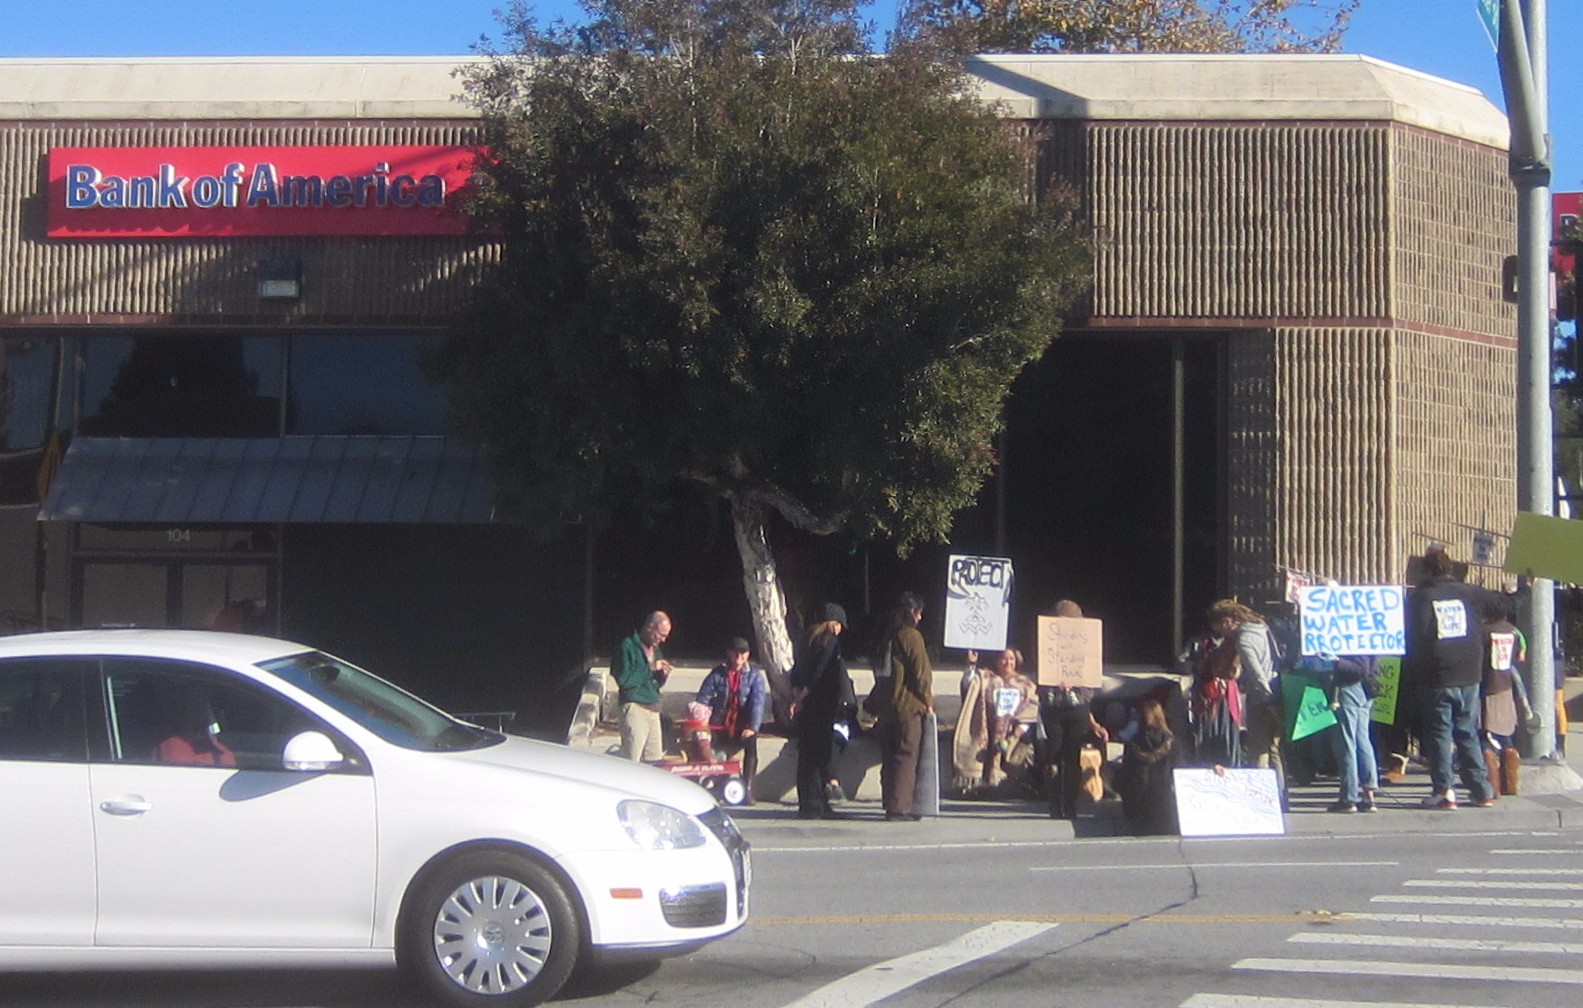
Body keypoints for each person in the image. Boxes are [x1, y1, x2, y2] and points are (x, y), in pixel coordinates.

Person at [1404, 548, 1495, 809]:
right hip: (1469, 673)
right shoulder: (1470, 593)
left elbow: (1414, 635)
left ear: (1426, 570)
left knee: (1439, 734)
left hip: (1436, 675)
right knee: (1467, 731)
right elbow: (1504, 604)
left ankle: (1445, 790)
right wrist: (1526, 588)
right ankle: (1481, 790)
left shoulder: (1420, 598)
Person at [1039, 599, 1109, 820]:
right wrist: (1053, 683)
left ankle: (1069, 803)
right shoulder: (1045, 642)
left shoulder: (1085, 647)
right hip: (1053, 709)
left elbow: (1090, 691)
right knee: (1054, 755)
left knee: (1072, 757)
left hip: (1077, 710)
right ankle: (1054, 803)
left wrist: (1076, 685)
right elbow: (1039, 682)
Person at [789, 603, 852, 819]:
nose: (840, 630)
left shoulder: (804, 641)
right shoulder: (829, 643)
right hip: (822, 703)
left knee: (806, 754)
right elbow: (820, 672)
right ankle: (817, 804)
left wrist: (797, 694)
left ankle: (808, 803)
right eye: (838, 624)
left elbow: (796, 671)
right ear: (831, 623)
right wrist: (804, 694)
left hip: (807, 706)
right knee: (819, 754)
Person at [951, 647, 1039, 797]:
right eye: (1004, 658)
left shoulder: (1026, 684)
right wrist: (971, 665)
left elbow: (1032, 708)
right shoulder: (986, 679)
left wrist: (1019, 730)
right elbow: (968, 686)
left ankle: (1016, 787)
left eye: (1011, 659)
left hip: (1015, 732)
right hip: (989, 727)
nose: (1008, 662)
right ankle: (982, 786)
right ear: (997, 661)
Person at [880, 591, 934, 821]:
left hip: (887, 708)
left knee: (890, 756)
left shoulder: (889, 636)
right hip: (908, 706)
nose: (920, 617)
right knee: (906, 756)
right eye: (919, 612)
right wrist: (928, 701)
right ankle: (899, 806)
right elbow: (921, 672)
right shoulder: (911, 636)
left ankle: (890, 802)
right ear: (912, 612)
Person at [694, 637, 769, 803]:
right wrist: (703, 720)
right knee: (706, 745)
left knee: (751, 743)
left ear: (748, 655)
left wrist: (752, 727)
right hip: (719, 723)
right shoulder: (718, 674)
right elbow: (702, 698)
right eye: (736, 653)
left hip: (742, 724)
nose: (739, 657)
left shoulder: (754, 676)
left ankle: (747, 787)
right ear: (729, 653)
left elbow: (758, 703)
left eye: (743, 653)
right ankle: (715, 783)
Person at [1479, 596, 1533, 798]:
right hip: (1506, 686)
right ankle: (1510, 777)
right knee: (1505, 732)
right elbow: (1519, 657)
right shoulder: (1513, 631)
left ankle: (1492, 784)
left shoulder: (1483, 631)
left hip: (1486, 686)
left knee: (1484, 733)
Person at [1179, 603, 1242, 767]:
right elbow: (1182, 662)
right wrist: (1196, 666)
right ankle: (1206, 766)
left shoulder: (1236, 641)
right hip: (1205, 694)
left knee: (1228, 732)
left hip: (1227, 693)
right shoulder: (1198, 642)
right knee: (1205, 732)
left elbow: (1240, 668)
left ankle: (1230, 767)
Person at [612, 611, 675, 762]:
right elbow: (624, 680)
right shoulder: (627, 646)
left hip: (653, 709)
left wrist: (662, 675)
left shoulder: (656, 650)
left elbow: (654, 684)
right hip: (635, 707)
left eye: (666, 636)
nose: (663, 640)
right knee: (632, 758)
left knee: (655, 760)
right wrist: (651, 667)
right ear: (650, 627)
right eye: (661, 635)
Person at [1324, 654, 1380, 813]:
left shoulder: (1354, 645)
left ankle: (1348, 798)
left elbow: (1360, 668)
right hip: (1365, 687)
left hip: (1349, 686)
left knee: (1347, 743)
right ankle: (1368, 796)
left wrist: (1336, 661)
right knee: (1362, 740)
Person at [1118, 697, 1178, 835]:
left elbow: (1126, 775)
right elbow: (1181, 771)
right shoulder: (1173, 743)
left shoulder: (1133, 743)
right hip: (1165, 805)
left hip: (1139, 804)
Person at [151, 685, 236, 767]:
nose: (197, 714)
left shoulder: (223, 753)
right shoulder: (171, 746)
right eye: (188, 707)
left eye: (201, 707)